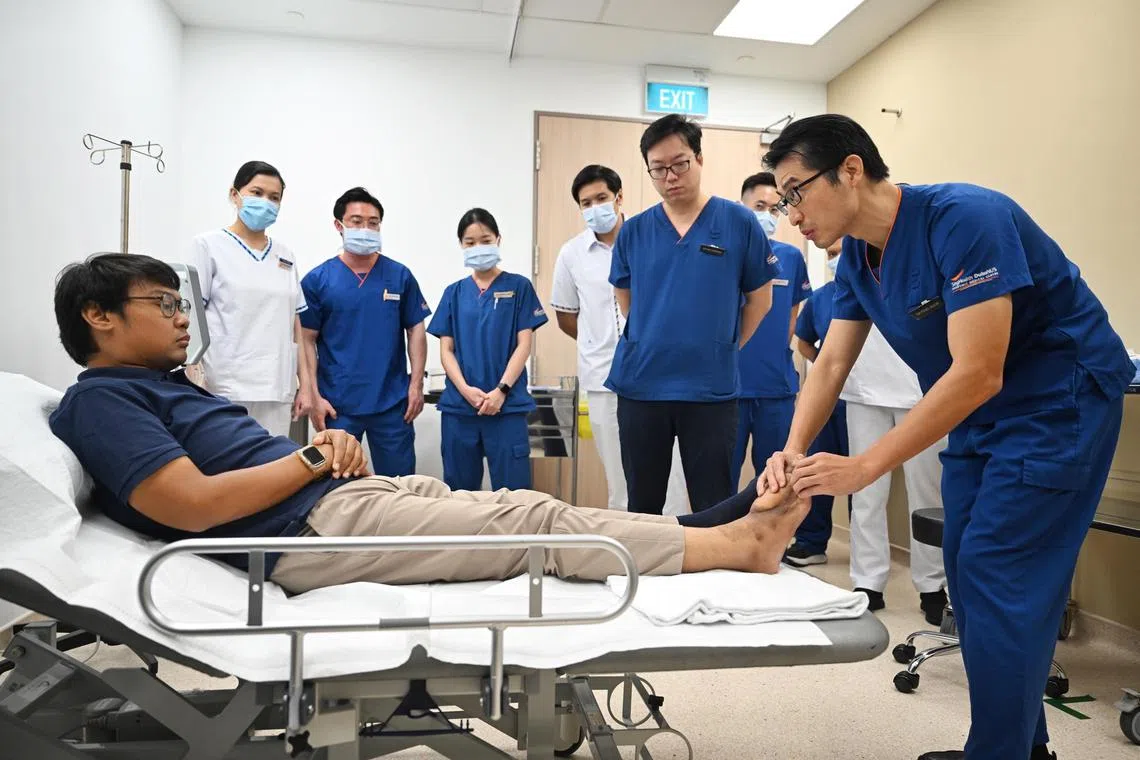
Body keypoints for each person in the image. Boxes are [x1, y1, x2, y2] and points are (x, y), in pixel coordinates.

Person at [47, 253, 809, 594]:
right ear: (99, 318)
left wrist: (324, 457)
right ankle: (729, 545)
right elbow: (187, 504)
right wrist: (313, 460)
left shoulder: (164, 386)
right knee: (530, 522)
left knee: (515, 503)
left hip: (331, 496)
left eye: (182, 303)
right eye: (166, 305)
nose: (184, 318)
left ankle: (693, 524)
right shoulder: (103, 401)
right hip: (306, 527)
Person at [759, 114, 1133, 760]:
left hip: (1058, 401)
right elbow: (831, 363)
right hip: (984, 414)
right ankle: (1019, 746)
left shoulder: (964, 219)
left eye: (796, 192)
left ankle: (997, 751)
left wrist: (865, 466)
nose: (791, 214)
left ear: (851, 169)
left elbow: (979, 370)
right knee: (965, 564)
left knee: (994, 567)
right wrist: (791, 449)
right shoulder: (856, 255)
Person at [607, 114, 777, 514]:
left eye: (679, 163)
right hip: (641, 386)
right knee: (643, 505)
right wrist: (653, 335)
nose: (670, 176)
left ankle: (711, 577)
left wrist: (725, 346)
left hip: (709, 389)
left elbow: (761, 300)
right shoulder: (634, 231)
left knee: (713, 505)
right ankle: (644, 578)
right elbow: (625, 295)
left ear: (699, 159)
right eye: (658, 169)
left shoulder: (738, 222)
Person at [550, 164, 689, 514]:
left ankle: (674, 553)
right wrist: (599, 343)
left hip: (659, 376)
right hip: (603, 378)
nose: (594, 207)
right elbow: (566, 316)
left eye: (601, 198)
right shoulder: (572, 254)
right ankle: (627, 557)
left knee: (671, 477)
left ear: (619, 197)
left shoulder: (653, 237)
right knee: (620, 480)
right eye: (586, 203)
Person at [298, 187, 430, 477]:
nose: (366, 228)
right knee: (337, 486)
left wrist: (416, 384)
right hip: (337, 405)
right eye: (357, 222)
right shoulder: (318, 280)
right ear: (339, 226)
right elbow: (305, 341)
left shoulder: (399, 276)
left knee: (399, 486)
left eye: (373, 223)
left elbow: (416, 330)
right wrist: (314, 396)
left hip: (392, 403)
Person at [427, 209, 546, 491]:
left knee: (514, 496)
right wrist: (466, 390)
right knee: (459, 494)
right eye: (470, 242)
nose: (478, 247)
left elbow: (524, 344)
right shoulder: (453, 293)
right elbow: (446, 351)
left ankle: (516, 538)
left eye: (485, 240)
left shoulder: (519, 287)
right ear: (461, 245)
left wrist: (501, 391)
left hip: (507, 407)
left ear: (498, 240)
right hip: (460, 409)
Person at [187, 161, 308, 437]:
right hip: (225, 384)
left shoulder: (285, 254)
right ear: (234, 195)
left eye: (274, 198)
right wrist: (193, 375)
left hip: (277, 386)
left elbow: (295, 323)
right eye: (257, 192)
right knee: (227, 466)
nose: (265, 202)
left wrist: (307, 385)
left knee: (273, 466)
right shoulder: (208, 245)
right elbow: (191, 315)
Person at [732, 172, 812, 490]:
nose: (768, 215)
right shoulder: (724, 256)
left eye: (775, 208)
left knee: (775, 482)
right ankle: (721, 541)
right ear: (743, 207)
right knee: (720, 481)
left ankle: (771, 541)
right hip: (730, 390)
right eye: (759, 206)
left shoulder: (790, 258)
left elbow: (791, 321)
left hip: (775, 390)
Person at [785, 241, 848, 569]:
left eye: (842, 253)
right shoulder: (822, 298)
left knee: (864, 483)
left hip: (870, 399)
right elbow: (805, 341)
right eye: (832, 255)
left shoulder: (877, 291)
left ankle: (866, 558)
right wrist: (826, 365)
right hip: (830, 401)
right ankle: (812, 542)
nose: (836, 260)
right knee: (816, 470)